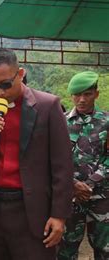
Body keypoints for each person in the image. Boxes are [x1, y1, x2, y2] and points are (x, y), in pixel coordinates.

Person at [0, 48, 74, 260]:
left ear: (20, 74)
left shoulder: (48, 106)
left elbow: (63, 165)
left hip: (32, 210)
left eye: (5, 84)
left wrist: (59, 215)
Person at [57, 71, 109, 260]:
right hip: (70, 197)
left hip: (102, 197)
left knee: (105, 249)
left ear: (96, 93)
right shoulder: (60, 122)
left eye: (87, 94)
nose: (81, 99)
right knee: (65, 249)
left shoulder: (106, 121)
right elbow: (53, 159)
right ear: (71, 96)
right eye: (77, 94)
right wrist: (72, 184)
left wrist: (90, 184)